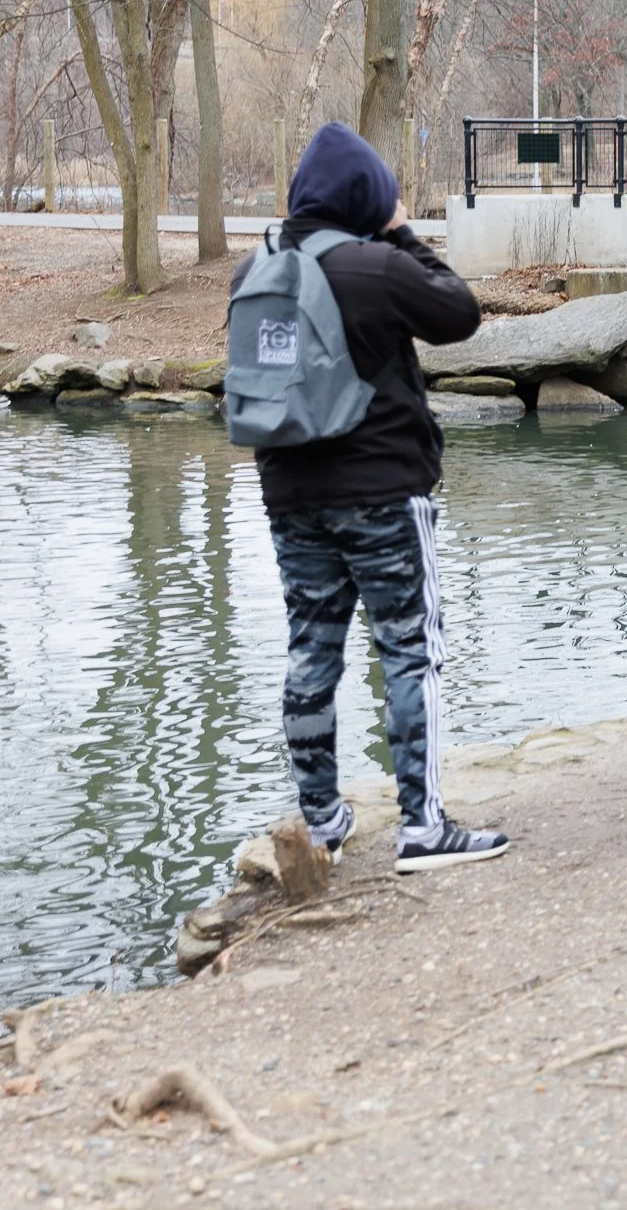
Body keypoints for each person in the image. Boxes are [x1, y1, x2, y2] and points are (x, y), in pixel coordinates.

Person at [233, 122, 509, 871]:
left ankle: (320, 822)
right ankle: (422, 826)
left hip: (290, 495)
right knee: (411, 652)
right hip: (383, 492)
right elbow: (459, 312)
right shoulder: (373, 266)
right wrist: (403, 231)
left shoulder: (254, 270)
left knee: (310, 652)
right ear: (366, 198)